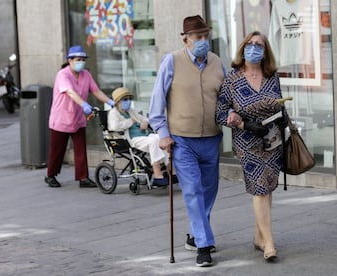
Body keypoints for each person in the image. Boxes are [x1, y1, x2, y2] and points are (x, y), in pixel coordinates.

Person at [149, 15, 225, 267]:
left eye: (206, 36)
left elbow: (225, 99)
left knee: (209, 190)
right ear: (186, 39)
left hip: (212, 138)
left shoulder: (217, 63)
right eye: (198, 37)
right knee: (192, 190)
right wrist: (163, 134)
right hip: (182, 140)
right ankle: (203, 245)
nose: (203, 41)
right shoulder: (171, 61)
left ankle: (195, 234)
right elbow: (157, 102)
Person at [215, 31, 285, 262]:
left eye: (259, 45)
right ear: (243, 48)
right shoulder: (232, 80)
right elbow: (220, 112)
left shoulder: (272, 77)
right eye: (250, 44)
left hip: (272, 139)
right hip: (247, 140)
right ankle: (270, 243)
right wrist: (240, 120)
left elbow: (280, 104)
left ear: (265, 52)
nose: (254, 48)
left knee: (268, 187)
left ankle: (258, 237)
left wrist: (282, 116)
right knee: (259, 189)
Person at [45, 45, 115, 188]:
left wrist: (109, 101)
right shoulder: (62, 75)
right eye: (78, 60)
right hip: (61, 118)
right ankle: (51, 175)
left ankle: (83, 178)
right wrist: (84, 105)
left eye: (83, 60)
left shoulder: (86, 75)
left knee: (80, 149)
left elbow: (95, 91)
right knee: (57, 149)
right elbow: (70, 92)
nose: (81, 62)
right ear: (70, 60)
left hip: (77, 119)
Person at [107, 87, 171, 186]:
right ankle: (157, 175)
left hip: (144, 135)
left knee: (160, 139)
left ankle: (170, 171)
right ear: (118, 102)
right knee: (154, 141)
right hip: (131, 139)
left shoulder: (131, 110)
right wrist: (130, 121)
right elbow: (114, 126)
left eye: (129, 99)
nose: (128, 101)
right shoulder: (113, 114)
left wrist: (144, 122)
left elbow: (143, 118)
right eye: (125, 99)